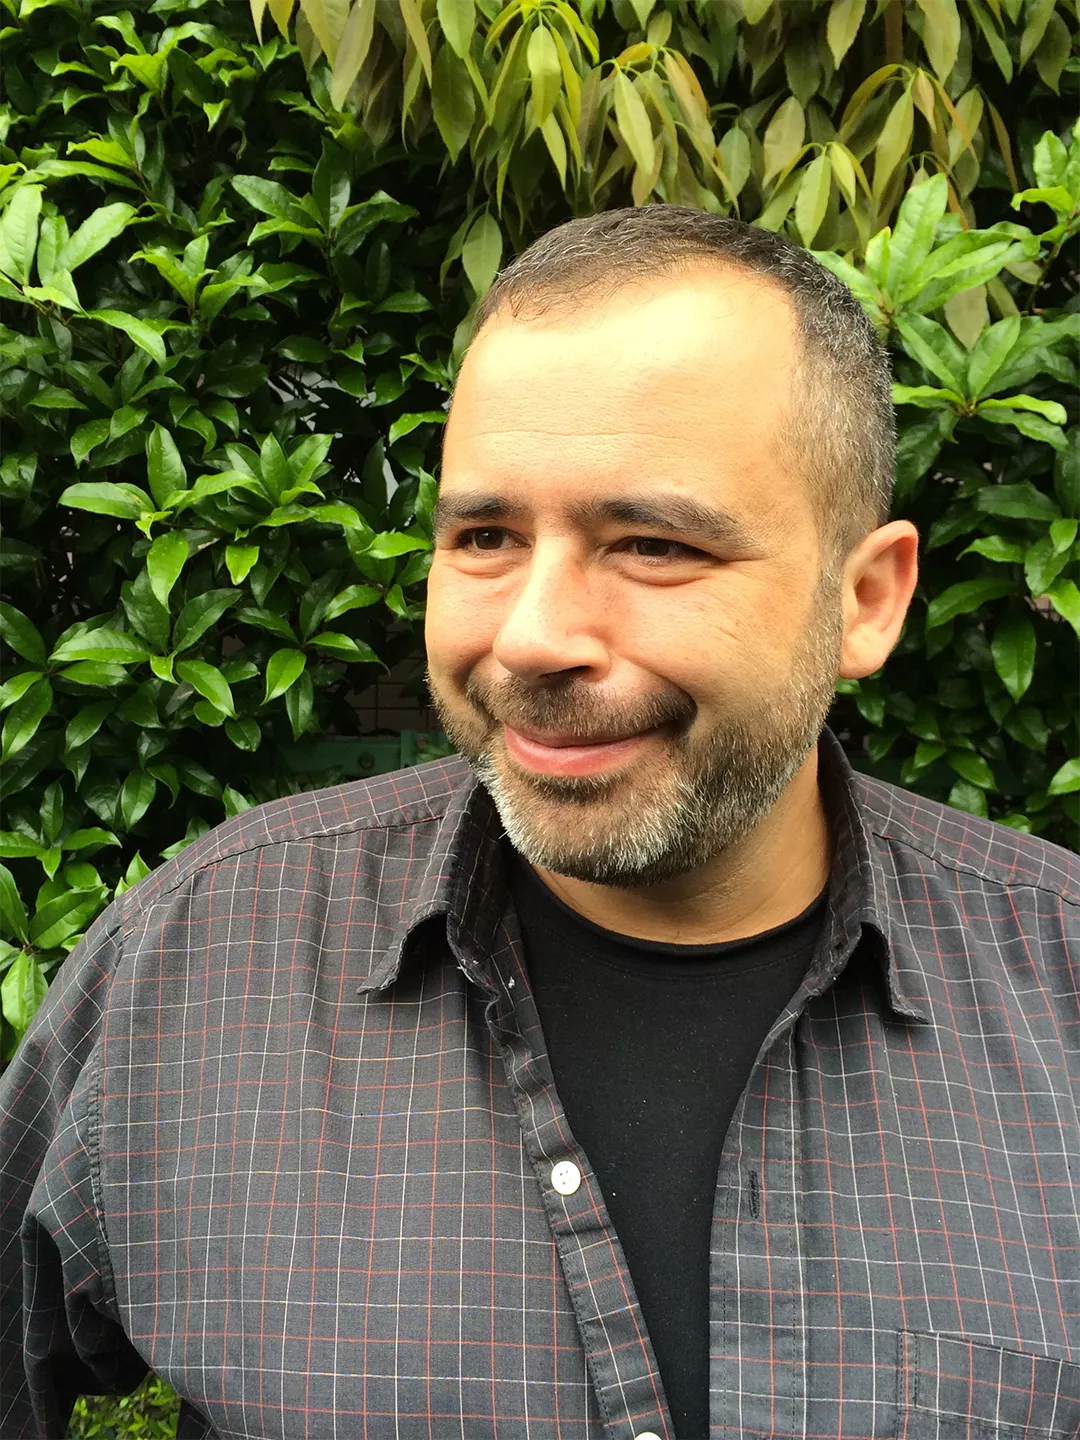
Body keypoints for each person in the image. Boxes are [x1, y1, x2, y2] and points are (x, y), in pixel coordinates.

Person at [2, 206, 1078, 1440]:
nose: (531, 637)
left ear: (868, 599)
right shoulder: (192, 968)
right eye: (485, 538)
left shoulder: (1061, 992)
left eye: (653, 544)